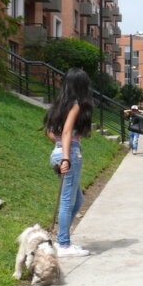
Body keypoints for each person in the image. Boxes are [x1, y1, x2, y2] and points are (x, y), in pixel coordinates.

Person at [43, 68, 95, 257]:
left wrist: (60, 148)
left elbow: (50, 132)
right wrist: (66, 156)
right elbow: (66, 132)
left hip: (58, 152)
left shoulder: (59, 106)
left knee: (77, 199)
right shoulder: (75, 105)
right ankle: (64, 244)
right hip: (69, 155)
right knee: (67, 200)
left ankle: (63, 239)